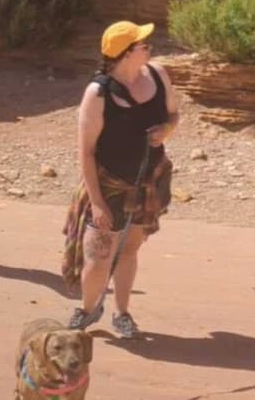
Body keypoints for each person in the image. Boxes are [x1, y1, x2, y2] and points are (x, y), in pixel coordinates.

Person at [61, 20, 174, 339]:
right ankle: (87, 308)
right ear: (125, 54)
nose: (149, 47)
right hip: (108, 184)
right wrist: (96, 203)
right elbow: (86, 153)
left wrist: (166, 130)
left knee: (130, 249)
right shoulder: (97, 93)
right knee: (98, 257)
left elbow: (174, 115)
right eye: (142, 45)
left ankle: (122, 314)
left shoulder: (158, 75)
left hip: (146, 181)